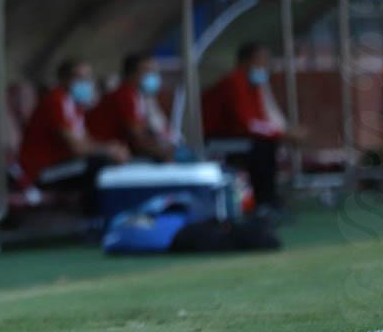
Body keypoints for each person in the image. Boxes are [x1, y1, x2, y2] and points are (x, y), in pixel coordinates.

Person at [203, 42, 306, 212]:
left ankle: (268, 198)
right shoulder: (234, 82)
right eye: (261, 61)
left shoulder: (253, 84)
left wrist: (281, 133)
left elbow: (259, 118)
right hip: (219, 137)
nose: (265, 66)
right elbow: (247, 122)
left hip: (243, 136)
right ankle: (262, 201)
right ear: (245, 62)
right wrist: (280, 133)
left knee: (268, 145)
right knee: (262, 147)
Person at [18, 59, 129, 211]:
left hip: (62, 164)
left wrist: (113, 147)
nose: (87, 83)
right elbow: (78, 148)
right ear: (64, 80)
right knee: (99, 162)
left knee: (108, 159)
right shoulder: (55, 101)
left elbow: (86, 140)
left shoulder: (73, 105)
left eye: (88, 78)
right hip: (41, 172)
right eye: (80, 78)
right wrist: (108, 150)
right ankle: (93, 217)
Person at [87, 53, 178, 162]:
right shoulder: (125, 95)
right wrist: (166, 154)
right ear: (131, 74)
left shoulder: (139, 97)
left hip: (119, 151)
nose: (153, 75)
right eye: (148, 71)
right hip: (105, 154)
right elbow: (139, 138)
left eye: (154, 71)